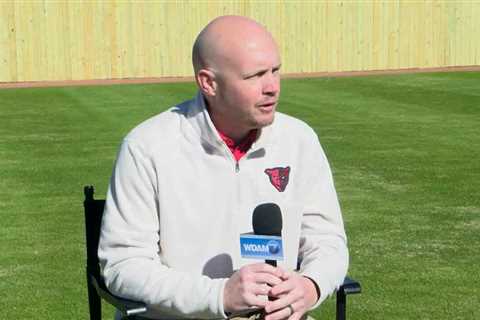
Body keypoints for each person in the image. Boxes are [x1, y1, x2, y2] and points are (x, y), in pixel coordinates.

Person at [98, 15, 348, 320]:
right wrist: (219, 296)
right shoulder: (147, 147)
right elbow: (123, 266)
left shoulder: (300, 140)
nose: (272, 87)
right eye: (254, 76)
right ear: (208, 83)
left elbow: (327, 241)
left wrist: (310, 286)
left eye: (275, 71)